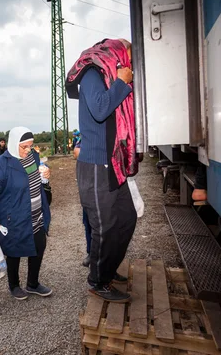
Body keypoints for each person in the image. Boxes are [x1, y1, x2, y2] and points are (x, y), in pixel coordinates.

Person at [66, 38, 137, 303]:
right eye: (127, 56)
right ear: (115, 54)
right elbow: (99, 109)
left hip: (113, 164)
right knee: (105, 227)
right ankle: (97, 280)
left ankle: (107, 269)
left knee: (127, 219)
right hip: (95, 166)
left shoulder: (109, 77)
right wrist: (122, 82)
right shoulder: (92, 73)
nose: (128, 63)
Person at [0, 127, 52, 300]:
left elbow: (38, 181)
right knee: (14, 251)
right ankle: (14, 285)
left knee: (39, 247)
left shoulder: (33, 158)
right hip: (14, 217)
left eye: (30, 146)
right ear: (14, 144)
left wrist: (45, 177)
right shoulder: (2, 163)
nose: (28, 150)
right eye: (24, 147)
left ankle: (33, 283)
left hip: (36, 214)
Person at [73, 138, 91, 268]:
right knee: (89, 224)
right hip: (89, 188)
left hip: (110, 188)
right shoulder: (86, 136)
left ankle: (110, 264)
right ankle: (91, 253)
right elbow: (76, 152)